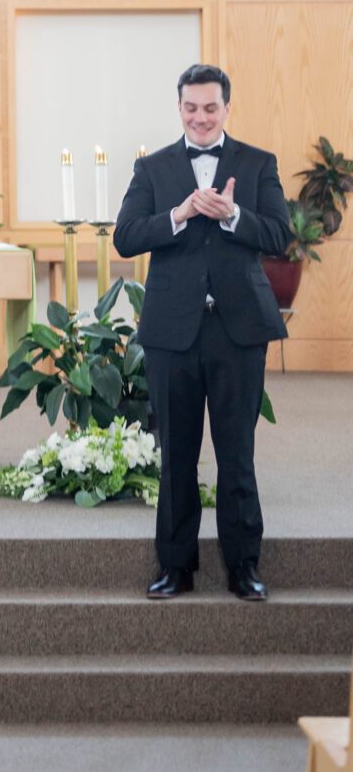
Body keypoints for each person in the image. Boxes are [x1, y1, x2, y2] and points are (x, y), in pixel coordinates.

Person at [113, 63, 289, 603]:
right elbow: (125, 237)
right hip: (173, 332)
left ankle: (244, 567)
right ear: (180, 108)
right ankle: (175, 567)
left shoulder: (258, 163)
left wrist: (234, 214)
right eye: (191, 107)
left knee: (237, 453)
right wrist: (181, 213)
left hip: (237, 331)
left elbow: (281, 235)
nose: (200, 117)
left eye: (210, 107)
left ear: (227, 108)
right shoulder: (154, 167)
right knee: (178, 456)